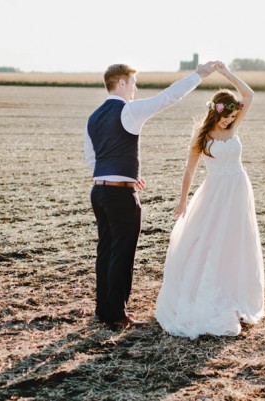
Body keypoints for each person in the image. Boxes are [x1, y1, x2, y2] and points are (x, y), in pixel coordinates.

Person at [84, 61, 218, 330]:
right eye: (133, 83)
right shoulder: (129, 111)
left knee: (105, 250)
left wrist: (126, 173)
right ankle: (117, 314)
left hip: (99, 191)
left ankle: (104, 309)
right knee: (122, 252)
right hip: (121, 196)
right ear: (121, 83)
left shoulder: (93, 117)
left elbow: (93, 159)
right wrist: (199, 74)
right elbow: (168, 97)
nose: (135, 88)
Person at [155, 62, 265, 340]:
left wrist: (226, 75)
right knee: (208, 239)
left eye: (231, 117)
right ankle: (207, 290)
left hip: (238, 189)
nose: (229, 121)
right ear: (214, 112)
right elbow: (189, 170)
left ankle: (234, 291)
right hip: (215, 192)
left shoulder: (234, 124)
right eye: (225, 117)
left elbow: (249, 96)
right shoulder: (202, 137)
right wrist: (182, 201)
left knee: (235, 240)